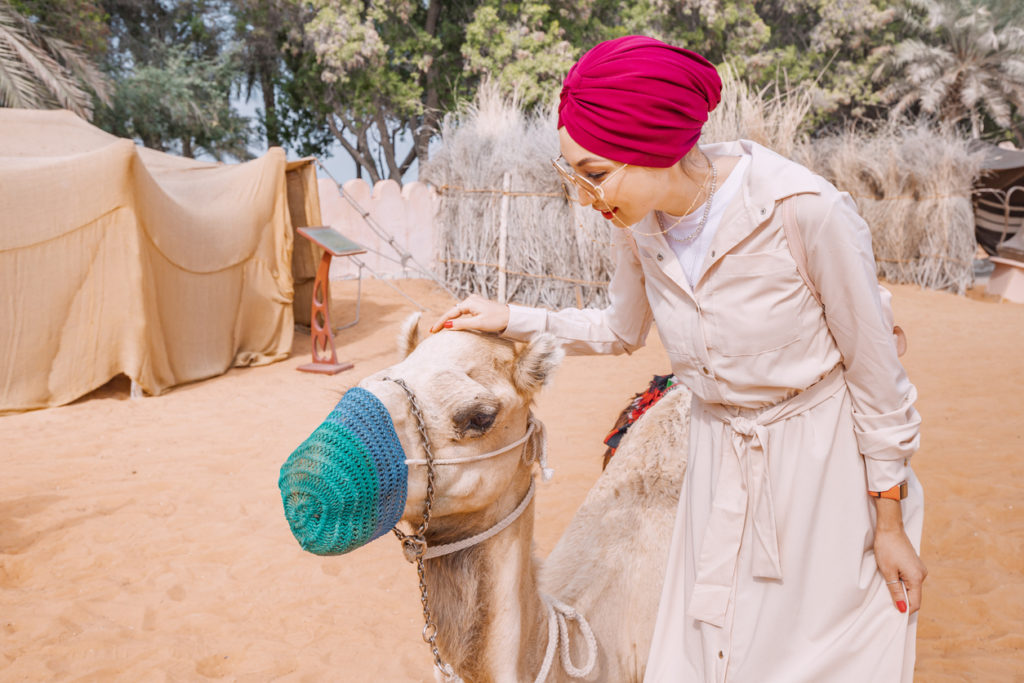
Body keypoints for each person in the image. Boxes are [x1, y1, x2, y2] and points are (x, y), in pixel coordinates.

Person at [430, 35, 926, 682]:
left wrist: (888, 522)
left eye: (595, 173)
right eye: (572, 173)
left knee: (809, 660)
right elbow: (619, 328)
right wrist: (513, 319)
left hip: (821, 469)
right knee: (705, 654)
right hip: (717, 456)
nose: (584, 195)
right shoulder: (637, 224)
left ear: (653, 145)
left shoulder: (805, 212)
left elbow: (877, 375)